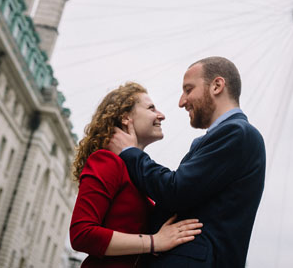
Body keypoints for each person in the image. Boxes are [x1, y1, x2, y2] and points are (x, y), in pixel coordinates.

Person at [108, 57, 266, 268]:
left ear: (217, 86)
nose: (181, 101)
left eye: (188, 90)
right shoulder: (226, 136)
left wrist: (130, 152)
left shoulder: (237, 133)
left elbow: (176, 190)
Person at [70, 82, 203, 267]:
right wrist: (154, 242)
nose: (161, 115)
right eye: (151, 108)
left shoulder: (135, 173)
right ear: (126, 118)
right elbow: (81, 234)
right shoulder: (106, 161)